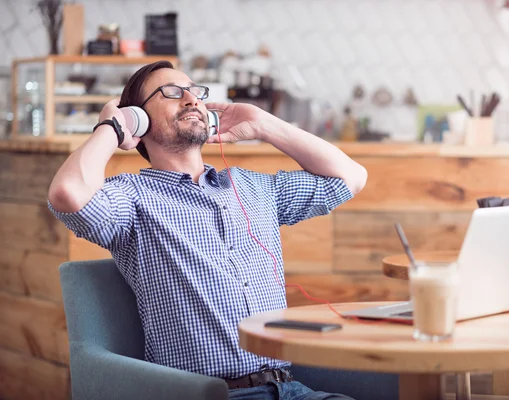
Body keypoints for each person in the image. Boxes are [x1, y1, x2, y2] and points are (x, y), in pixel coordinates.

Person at [47, 60, 368, 400]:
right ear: (138, 119)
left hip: (292, 387)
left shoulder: (254, 187)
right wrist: (112, 127)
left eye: (196, 91)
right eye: (171, 93)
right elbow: (68, 193)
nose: (191, 99)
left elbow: (351, 178)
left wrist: (265, 125)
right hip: (212, 394)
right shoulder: (131, 199)